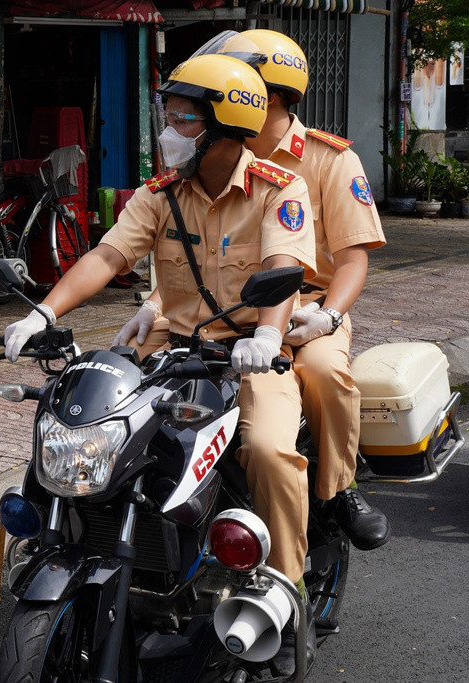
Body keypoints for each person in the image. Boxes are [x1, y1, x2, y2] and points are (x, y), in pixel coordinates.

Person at [5, 53, 318, 670]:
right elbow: (107, 256)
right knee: (95, 429)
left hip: (249, 354)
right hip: (173, 348)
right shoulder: (160, 196)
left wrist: (265, 334)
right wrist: (43, 312)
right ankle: (86, 545)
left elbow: (283, 270)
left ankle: (284, 591)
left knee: (270, 451)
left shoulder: (282, 189)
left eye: (184, 120)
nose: (169, 132)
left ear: (227, 127)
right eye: (168, 117)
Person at [113, 30, 390, 557]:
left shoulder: (328, 161)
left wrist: (328, 317)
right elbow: (185, 250)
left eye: (247, 85)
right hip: (220, 312)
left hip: (307, 308)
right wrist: (153, 305)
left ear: (276, 96)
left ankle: (339, 489)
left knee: (325, 374)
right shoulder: (204, 153)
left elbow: (353, 259)